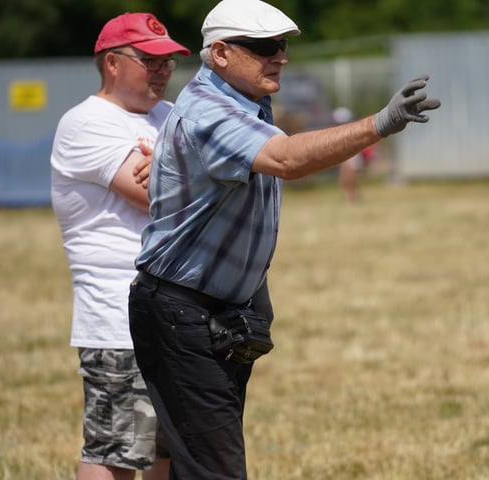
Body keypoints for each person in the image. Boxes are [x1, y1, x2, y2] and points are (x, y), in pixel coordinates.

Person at [127, 0, 441, 478]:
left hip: (208, 312)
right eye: (264, 46)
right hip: (181, 314)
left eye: (282, 45)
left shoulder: (245, 98)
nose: (280, 56)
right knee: (216, 470)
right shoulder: (210, 111)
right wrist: (380, 123)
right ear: (221, 54)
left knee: (194, 463)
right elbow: (288, 160)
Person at [50, 12, 190, 480]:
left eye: (168, 61)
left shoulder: (168, 116)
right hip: (117, 316)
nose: (163, 70)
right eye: (150, 60)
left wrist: (179, 174)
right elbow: (158, 197)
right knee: (114, 452)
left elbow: (192, 185)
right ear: (112, 62)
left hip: (173, 309)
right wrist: (189, 177)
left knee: (166, 452)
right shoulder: (87, 122)